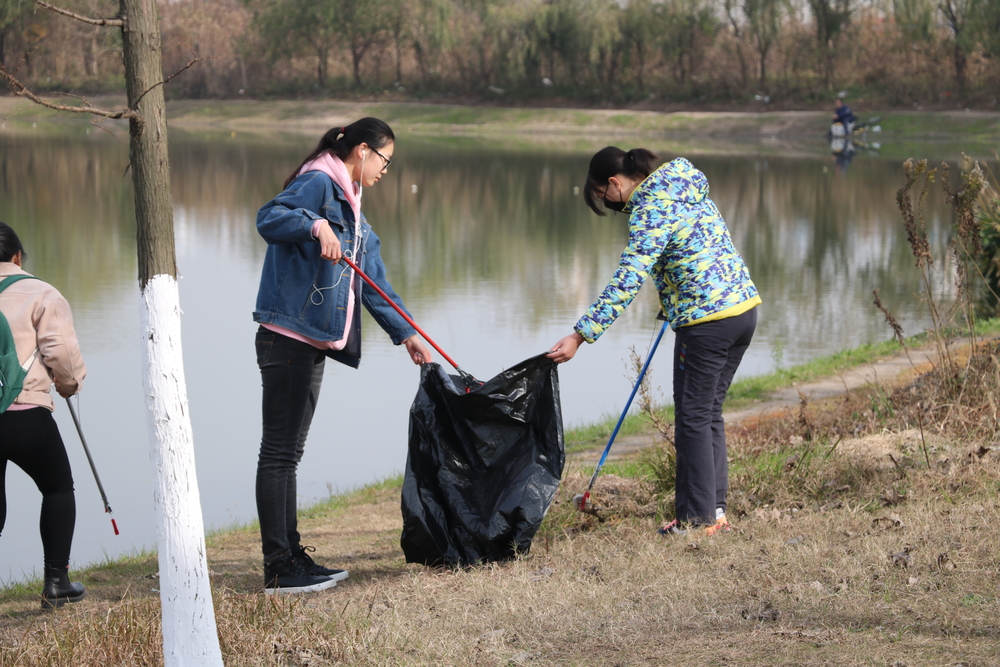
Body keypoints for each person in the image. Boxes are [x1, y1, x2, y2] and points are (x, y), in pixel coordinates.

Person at [252, 118, 432, 594]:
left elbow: (371, 278)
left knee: (288, 454)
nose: (386, 170)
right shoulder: (319, 181)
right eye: (385, 160)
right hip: (286, 338)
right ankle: (279, 567)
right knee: (278, 453)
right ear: (363, 150)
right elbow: (269, 217)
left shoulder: (351, 201)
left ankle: (292, 557)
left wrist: (408, 334)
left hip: (308, 340)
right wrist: (314, 225)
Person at [547, 149, 760, 536]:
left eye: (604, 196)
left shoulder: (649, 209)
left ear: (615, 183)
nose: (609, 205)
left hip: (707, 323)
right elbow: (696, 250)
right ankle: (715, 513)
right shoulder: (681, 186)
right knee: (708, 414)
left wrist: (580, 335)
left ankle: (695, 520)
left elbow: (628, 279)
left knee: (693, 419)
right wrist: (673, 298)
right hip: (742, 311)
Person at [0, 222, 88, 608]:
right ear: (18, 257)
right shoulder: (41, 293)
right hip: (24, 413)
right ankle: (56, 582)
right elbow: (60, 352)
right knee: (57, 488)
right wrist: (69, 385)